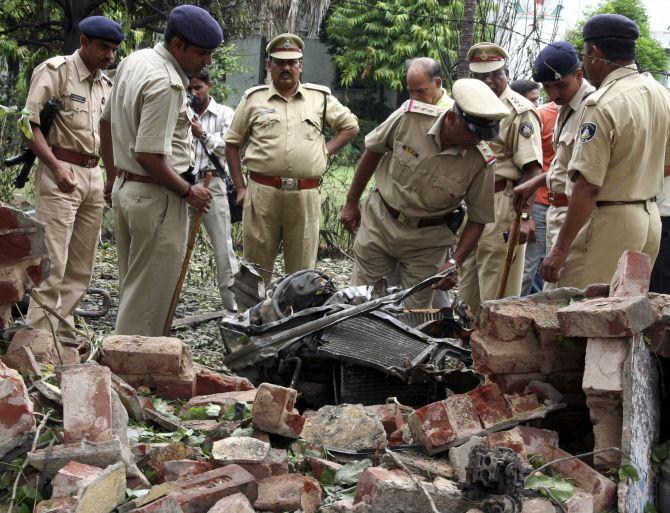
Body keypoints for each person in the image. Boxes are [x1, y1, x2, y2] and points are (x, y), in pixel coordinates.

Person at [519, 15, 670, 288]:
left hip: (608, 219)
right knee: (623, 313)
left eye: (586, 55)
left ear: (594, 53)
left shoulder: (601, 103)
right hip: (648, 217)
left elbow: (588, 186)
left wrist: (559, 250)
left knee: (578, 310)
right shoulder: (659, 93)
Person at [100, 5, 221, 336]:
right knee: (149, 303)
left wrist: (113, 177)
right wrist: (187, 190)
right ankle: (131, 377)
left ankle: (120, 371)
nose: (206, 62)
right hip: (157, 197)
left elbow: (106, 123)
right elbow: (149, 155)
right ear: (178, 44)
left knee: (134, 290)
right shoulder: (167, 82)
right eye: (202, 53)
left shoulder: (134, 61)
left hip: (129, 191)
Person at [339, 79, 509, 309]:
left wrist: (454, 262)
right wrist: (351, 203)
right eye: (472, 133)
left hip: (427, 244)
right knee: (361, 305)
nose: (477, 140)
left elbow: (478, 219)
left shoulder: (481, 161)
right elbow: (373, 150)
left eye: (483, 136)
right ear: (451, 119)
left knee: (414, 318)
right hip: (380, 225)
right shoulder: (409, 117)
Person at [225, 33, 359, 283]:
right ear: (269, 66)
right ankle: (253, 320)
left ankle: (294, 321)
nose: (286, 68)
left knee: (301, 273)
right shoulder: (254, 99)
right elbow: (232, 143)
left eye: (292, 62)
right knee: (255, 268)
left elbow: (350, 126)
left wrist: (325, 151)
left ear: (301, 66)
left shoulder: (320, 98)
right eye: (279, 62)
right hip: (262, 194)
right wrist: (241, 189)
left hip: (305, 196)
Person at [23, 16, 124, 336]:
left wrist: (110, 177)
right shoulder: (56, 71)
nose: (109, 56)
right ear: (84, 42)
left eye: (113, 50)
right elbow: (27, 125)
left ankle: (61, 332)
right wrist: (55, 167)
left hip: (94, 176)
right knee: (52, 262)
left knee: (82, 266)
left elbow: (109, 136)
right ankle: (37, 338)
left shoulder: (106, 84)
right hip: (60, 172)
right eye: (103, 48)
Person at [458, 43, 543, 313]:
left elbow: (532, 169)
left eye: (495, 74)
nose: (489, 81)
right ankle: (467, 348)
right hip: (469, 204)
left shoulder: (520, 111)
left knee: (497, 294)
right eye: (481, 76)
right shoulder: (465, 105)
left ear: (506, 71)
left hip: (501, 203)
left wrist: (526, 217)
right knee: (466, 286)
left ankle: (494, 351)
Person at [514, 41, 595, 291]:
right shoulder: (564, 107)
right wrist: (535, 182)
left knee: (564, 300)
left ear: (579, 74)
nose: (554, 95)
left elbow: (587, 182)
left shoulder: (592, 108)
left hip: (577, 217)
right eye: (548, 87)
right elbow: (564, 168)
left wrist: (560, 249)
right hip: (553, 209)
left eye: (560, 85)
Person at [187, 70, 239, 311]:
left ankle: (234, 309)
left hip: (212, 182)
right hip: (182, 183)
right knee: (173, 246)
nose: (193, 93)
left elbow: (229, 147)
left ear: (209, 86)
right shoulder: (180, 111)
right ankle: (164, 309)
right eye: (190, 89)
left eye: (198, 87)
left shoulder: (225, 113)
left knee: (223, 248)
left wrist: (204, 135)